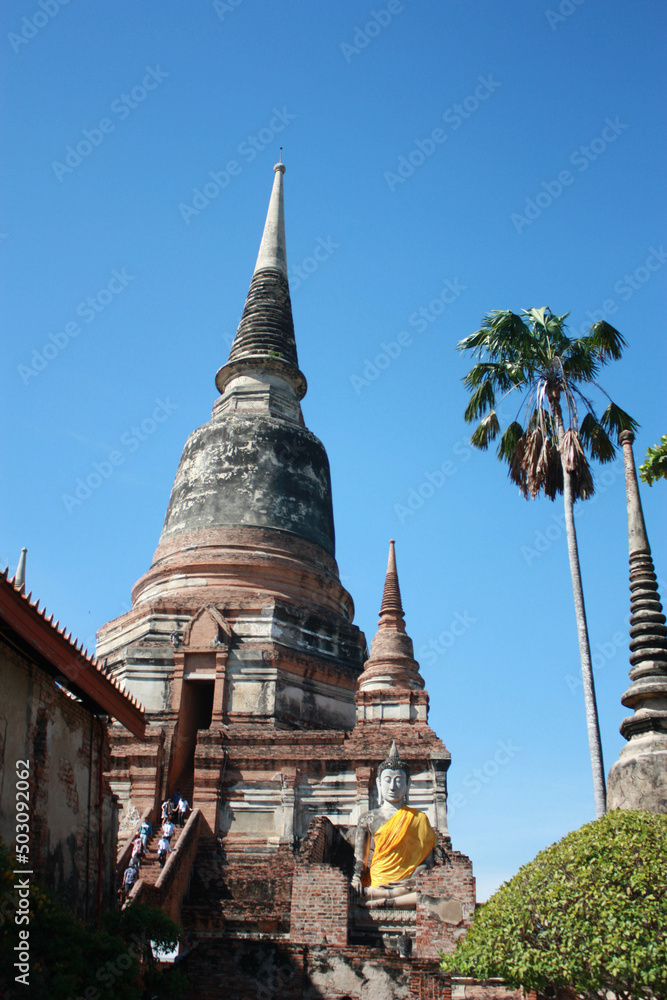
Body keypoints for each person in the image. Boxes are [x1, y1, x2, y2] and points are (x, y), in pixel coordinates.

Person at [351, 742, 437, 910]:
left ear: (408, 784)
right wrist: (355, 878)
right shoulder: (368, 819)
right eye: (387, 780)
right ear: (379, 783)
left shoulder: (419, 818)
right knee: (352, 894)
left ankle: (381, 901)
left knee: (425, 895)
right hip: (376, 884)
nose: (392, 786)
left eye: (398, 780)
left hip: (406, 886)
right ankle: (382, 900)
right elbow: (360, 859)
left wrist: (412, 879)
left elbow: (427, 862)